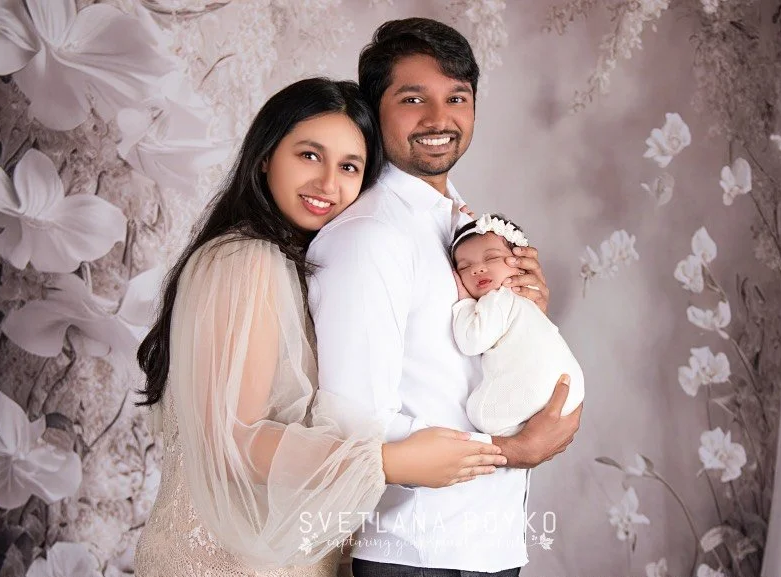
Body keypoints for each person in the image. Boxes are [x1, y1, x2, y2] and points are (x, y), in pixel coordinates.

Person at [132, 78, 507, 577]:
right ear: (266, 155)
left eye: (349, 166)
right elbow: (234, 441)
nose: (329, 184)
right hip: (227, 563)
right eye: (310, 156)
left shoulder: (295, 261)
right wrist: (391, 462)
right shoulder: (246, 261)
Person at [307, 19, 584, 577]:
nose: (439, 118)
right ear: (373, 108)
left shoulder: (464, 225)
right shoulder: (370, 237)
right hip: (416, 552)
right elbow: (354, 421)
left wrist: (518, 325)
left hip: (487, 543)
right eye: (413, 98)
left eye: (456, 97)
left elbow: (451, 371)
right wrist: (514, 451)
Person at [451, 213, 586, 437]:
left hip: (538, 388)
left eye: (492, 258)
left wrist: (464, 302)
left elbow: (471, 341)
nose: (478, 269)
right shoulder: (527, 303)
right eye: (464, 267)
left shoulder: (499, 298)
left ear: (520, 265)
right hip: (570, 386)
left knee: (479, 413)